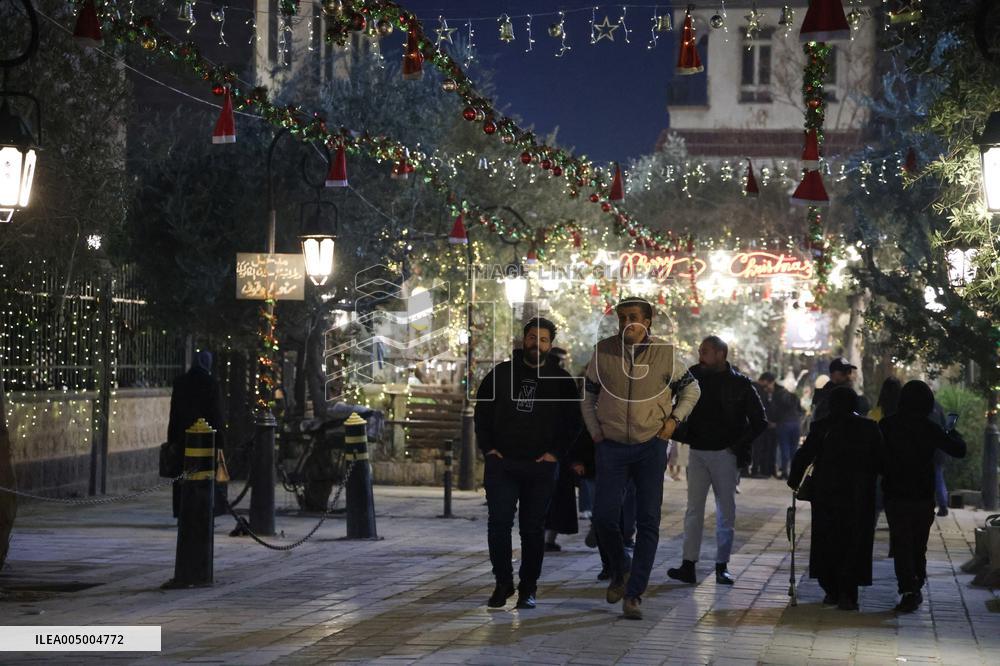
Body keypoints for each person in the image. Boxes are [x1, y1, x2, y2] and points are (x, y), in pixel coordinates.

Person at [582, 297, 701, 620]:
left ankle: (634, 593)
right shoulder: (604, 351)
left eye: (632, 317)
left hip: (650, 445)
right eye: (621, 318)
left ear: (647, 322)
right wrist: (595, 431)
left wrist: (673, 421)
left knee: (648, 520)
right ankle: (620, 567)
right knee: (604, 517)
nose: (626, 324)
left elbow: (692, 390)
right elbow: (588, 395)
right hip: (611, 446)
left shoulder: (665, 354)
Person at [474, 317, 581, 610]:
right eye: (533, 337)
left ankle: (528, 588)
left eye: (543, 339)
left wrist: (555, 454)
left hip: (541, 467)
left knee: (532, 529)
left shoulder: (561, 381)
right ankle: (502, 582)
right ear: (524, 340)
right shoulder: (501, 374)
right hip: (503, 464)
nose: (537, 344)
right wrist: (489, 449)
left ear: (550, 344)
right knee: (498, 524)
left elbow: (573, 423)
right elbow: (482, 414)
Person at [667, 336, 767, 587]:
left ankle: (722, 565)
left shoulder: (740, 383)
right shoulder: (692, 376)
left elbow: (760, 421)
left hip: (725, 454)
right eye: (700, 351)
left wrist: (736, 445)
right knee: (693, 509)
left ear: (721, 354)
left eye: (705, 352)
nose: (700, 356)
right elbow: (673, 400)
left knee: (725, 511)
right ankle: (688, 564)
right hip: (698, 451)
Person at [788, 386, 881, 610]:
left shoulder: (822, 426)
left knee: (827, 538)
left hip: (826, 493)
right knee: (854, 540)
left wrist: (794, 480)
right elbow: (881, 459)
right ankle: (849, 592)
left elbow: (805, 454)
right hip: (858, 494)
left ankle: (831, 588)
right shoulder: (869, 428)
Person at [879, 380, 966, 613]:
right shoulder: (930, 427)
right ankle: (916, 582)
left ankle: (908, 588)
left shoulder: (887, 425)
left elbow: (875, 457)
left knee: (901, 543)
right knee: (918, 544)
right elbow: (959, 449)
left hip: (895, 493)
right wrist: (951, 430)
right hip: (922, 494)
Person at [167, 350, 226, 518]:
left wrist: (171, 440)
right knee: (204, 478)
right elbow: (217, 415)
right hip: (206, 440)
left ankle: (182, 511)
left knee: (183, 477)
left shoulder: (180, 382)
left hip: (183, 438)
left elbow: (174, 414)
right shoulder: (212, 383)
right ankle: (203, 512)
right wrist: (220, 441)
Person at [544, 347, 581, 551]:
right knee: (557, 497)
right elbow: (574, 419)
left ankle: (540, 537)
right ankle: (548, 539)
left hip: (539, 447)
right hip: (559, 448)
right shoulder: (564, 380)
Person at [759, 372, 803, 479]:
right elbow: (800, 409)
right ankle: (795, 472)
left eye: (767, 387)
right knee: (794, 449)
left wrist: (774, 422)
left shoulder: (777, 395)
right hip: (796, 423)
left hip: (784, 424)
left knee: (784, 448)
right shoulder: (792, 395)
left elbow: (776, 411)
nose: (766, 389)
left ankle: (784, 472)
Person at [811, 357, 870, 423]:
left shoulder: (851, 397)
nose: (848, 376)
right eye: (844, 373)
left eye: (849, 372)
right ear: (833, 375)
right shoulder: (824, 399)